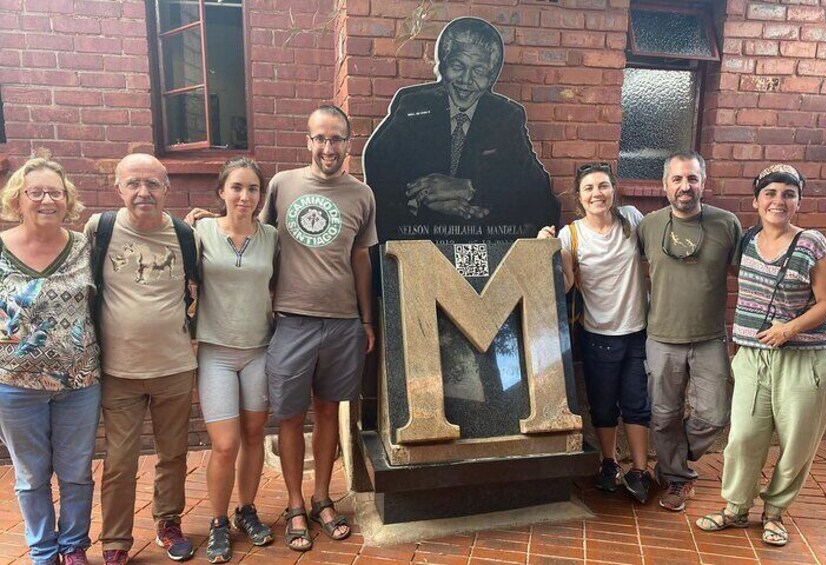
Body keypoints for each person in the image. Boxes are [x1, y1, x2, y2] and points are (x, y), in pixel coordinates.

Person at [696, 164, 826, 546]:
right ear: (756, 200)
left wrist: (788, 329)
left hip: (808, 358)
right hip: (753, 356)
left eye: (788, 194)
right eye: (771, 193)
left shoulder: (813, 244)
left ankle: (775, 513)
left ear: (798, 201)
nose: (779, 201)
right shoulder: (746, 241)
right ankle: (735, 507)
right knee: (743, 436)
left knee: (796, 442)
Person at [261, 105, 376, 551]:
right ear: (307, 141)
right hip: (290, 320)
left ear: (349, 144)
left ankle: (322, 498)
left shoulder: (362, 194)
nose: (328, 148)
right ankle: (294, 505)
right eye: (320, 139)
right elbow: (258, 243)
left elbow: (360, 258)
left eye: (337, 140)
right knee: (290, 416)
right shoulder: (281, 185)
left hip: (342, 321)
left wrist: (366, 318)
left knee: (329, 412)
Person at [88, 154, 198, 565]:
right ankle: (116, 540)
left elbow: (200, 286)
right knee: (118, 461)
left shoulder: (185, 235)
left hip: (174, 367)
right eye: (133, 183)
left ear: (166, 188)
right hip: (119, 372)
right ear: (118, 188)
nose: (143, 192)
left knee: (173, 455)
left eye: (153, 184)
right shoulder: (100, 230)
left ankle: (168, 522)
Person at [364, 16, 558, 243]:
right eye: (457, 66)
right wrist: (424, 199)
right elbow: (378, 164)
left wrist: (469, 189)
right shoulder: (413, 104)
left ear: (492, 75)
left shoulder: (506, 116)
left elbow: (536, 187)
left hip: (482, 246)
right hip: (421, 246)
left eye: (479, 71)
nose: (466, 80)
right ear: (443, 66)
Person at [0, 155, 100, 565]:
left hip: (80, 381)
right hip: (15, 385)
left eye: (55, 192)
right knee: (31, 476)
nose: (46, 200)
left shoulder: (84, 246)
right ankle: (44, 551)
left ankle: (73, 546)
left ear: (67, 199)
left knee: (76, 471)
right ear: (18, 199)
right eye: (36, 192)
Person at [538, 163, 651, 503]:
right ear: (579, 196)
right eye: (589, 188)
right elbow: (566, 284)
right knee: (603, 406)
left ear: (613, 189)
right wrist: (547, 252)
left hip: (637, 331)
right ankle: (608, 463)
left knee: (636, 403)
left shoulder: (633, 220)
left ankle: (640, 469)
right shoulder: (570, 234)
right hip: (597, 334)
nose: (597, 193)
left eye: (602, 186)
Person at [637, 151, 742, 512]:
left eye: (692, 179)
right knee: (663, 415)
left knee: (715, 415)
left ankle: (673, 457)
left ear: (703, 182)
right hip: (661, 336)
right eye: (678, 179)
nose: (685, 186)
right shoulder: (649, 225)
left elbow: (745, 275)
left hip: (710, 336)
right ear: (665, 185)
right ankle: (677, 478)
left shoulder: (727, 223)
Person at [190, 158, 277, 563]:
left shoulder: (272, 237)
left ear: (262, 194)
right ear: (222, 191)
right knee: (226, 444)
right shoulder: (199, 231)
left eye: (253, 189)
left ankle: (247, 510)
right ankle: (219, 521)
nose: (245, 196)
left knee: (255, 436)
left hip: (259, 349)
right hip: (216, 352)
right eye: (237, 187)